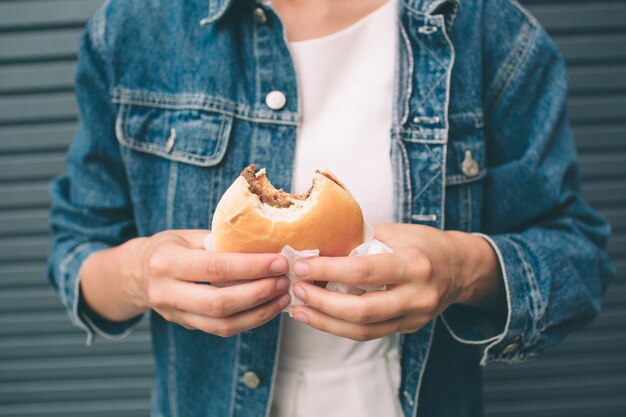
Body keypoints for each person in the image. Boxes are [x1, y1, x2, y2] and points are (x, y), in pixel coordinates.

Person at [47, 0, 614, 416]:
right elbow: (77, 248)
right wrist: (139, 275)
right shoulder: (133, 28)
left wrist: (464, 269)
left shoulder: (492, 31)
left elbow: (578, 258)